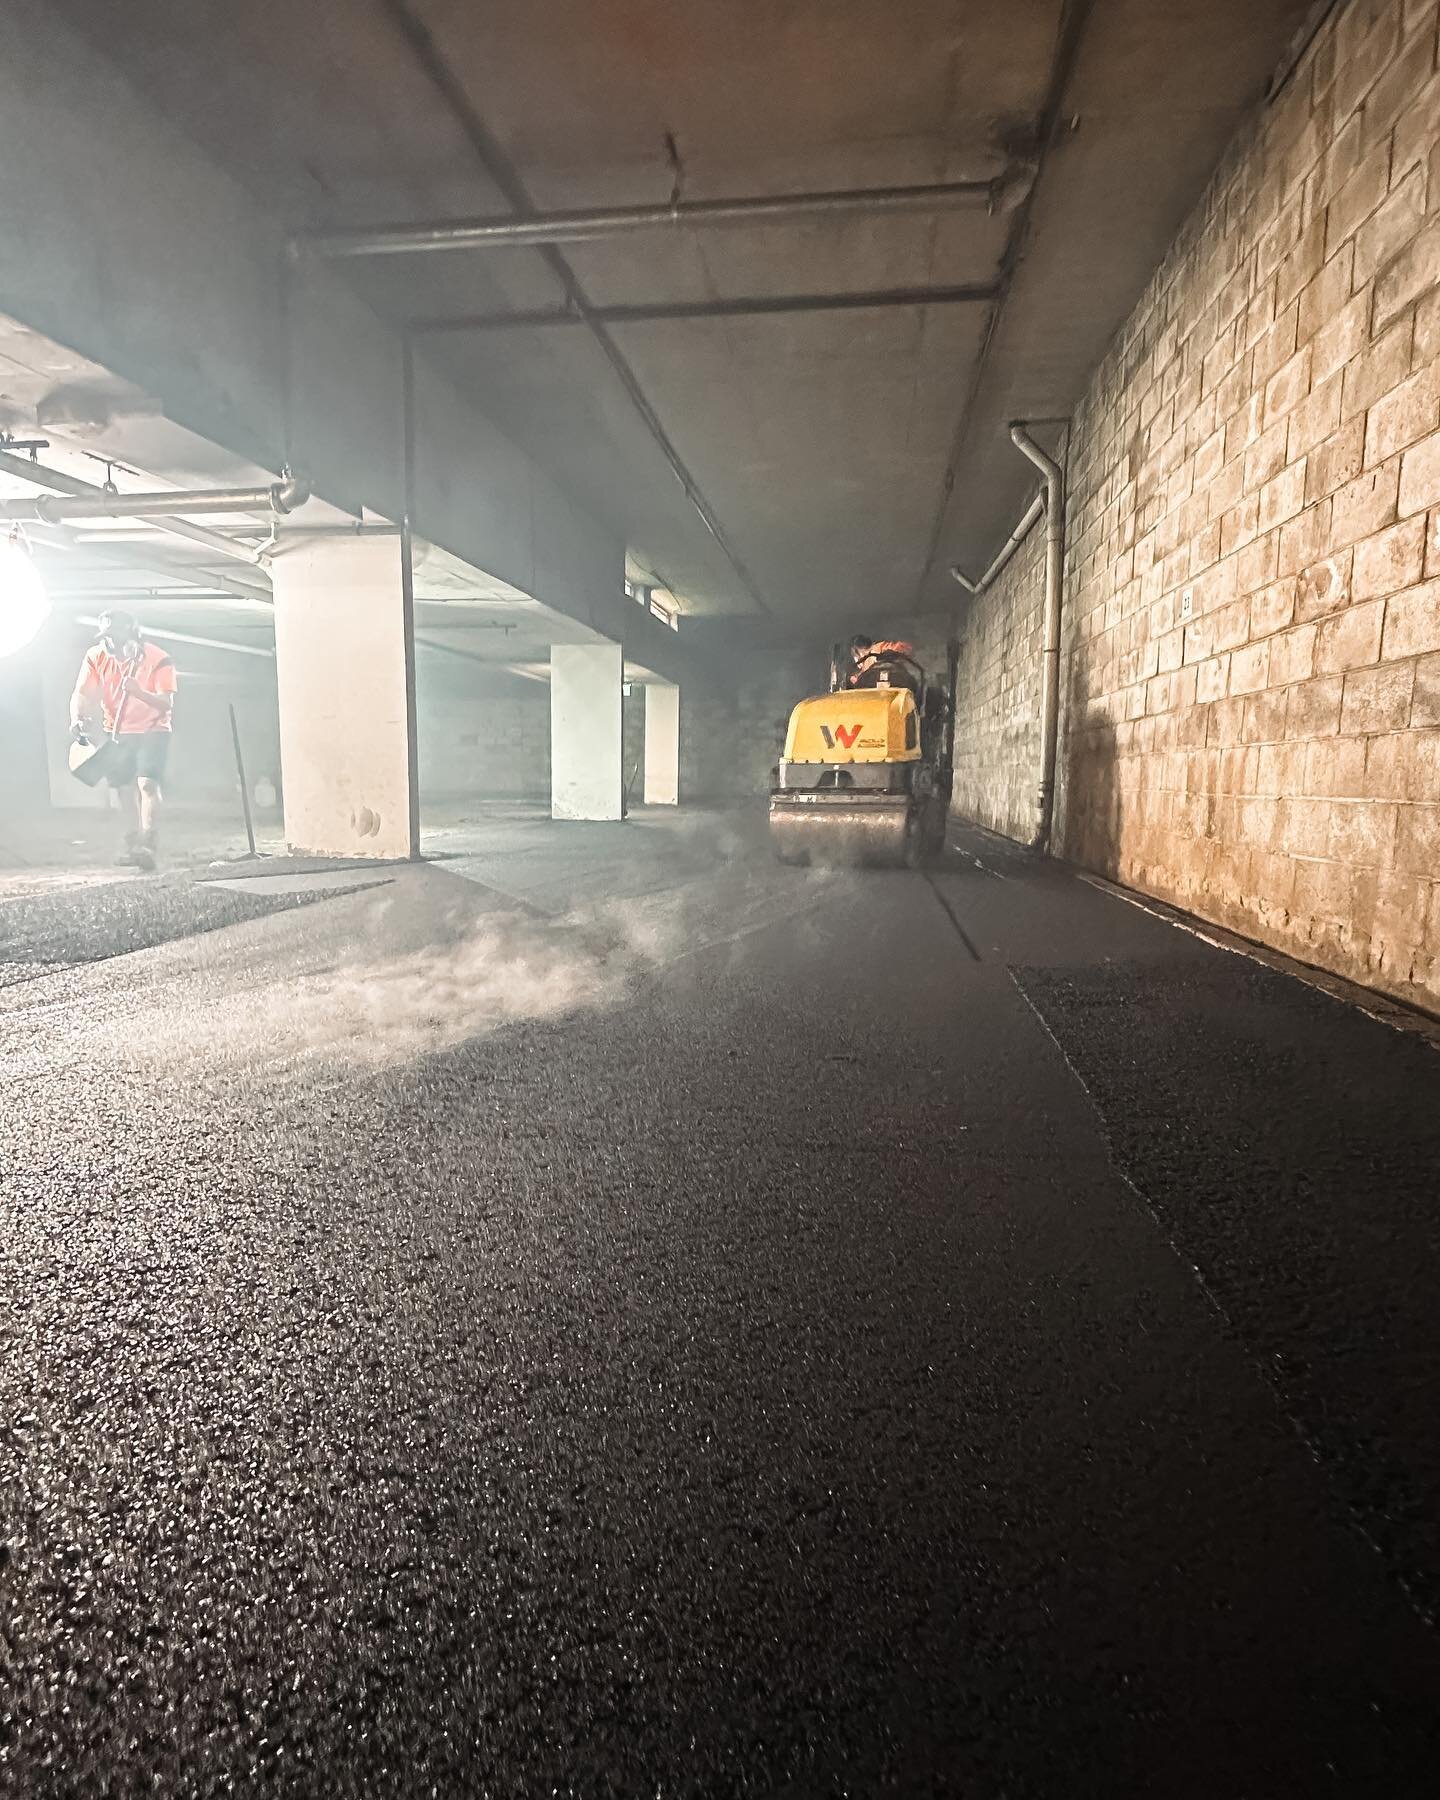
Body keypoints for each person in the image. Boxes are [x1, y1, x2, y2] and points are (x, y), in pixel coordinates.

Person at [70, 609, 177, 871]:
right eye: (106, 637)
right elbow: (81, 692)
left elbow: (166, 702)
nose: (111, 643)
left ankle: (148, 843)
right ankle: (132, 844)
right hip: (117, 730)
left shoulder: (157, 658)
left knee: (147, 784)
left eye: (116, 636)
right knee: (121, 788)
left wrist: (139, 692)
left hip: (153, 728)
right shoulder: (96, 656)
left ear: (132, 635)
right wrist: (77, 717)